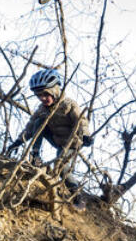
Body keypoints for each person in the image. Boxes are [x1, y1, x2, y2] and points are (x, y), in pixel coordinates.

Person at [6, 68, 93, 203]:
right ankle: (35, 155)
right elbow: (30, 128)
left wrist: (85, 136)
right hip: (56, 139)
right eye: (39, 95)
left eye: (45, 94)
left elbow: (81, 121)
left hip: (71, 142)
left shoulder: (68, 104)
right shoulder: (42, 110)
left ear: (55, 90)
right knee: (39, 121)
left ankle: (78, 196)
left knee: (61, 167)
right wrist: (18, 142)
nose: (42, 98)